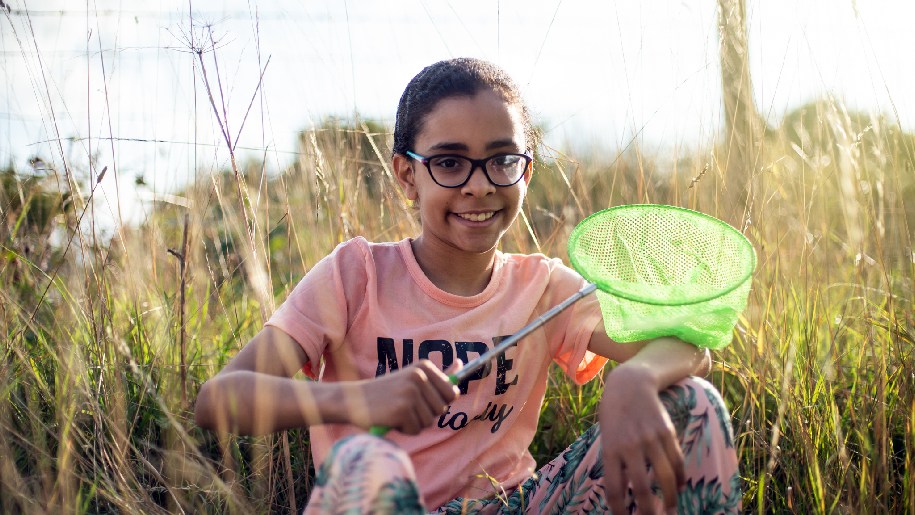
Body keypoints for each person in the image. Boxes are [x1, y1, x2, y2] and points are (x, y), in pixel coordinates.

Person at [194, 57, 741, 514]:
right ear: (407, 176)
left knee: (692, 403)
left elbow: (688, 350)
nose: (479, 186)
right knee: (366, 462)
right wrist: (362, 400)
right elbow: (219, 400)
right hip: (377, 499)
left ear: (525, 172)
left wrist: (634, 381)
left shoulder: (543, 288)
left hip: (512, 504)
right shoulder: (354, 276)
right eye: (450, 163)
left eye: (501, 160)